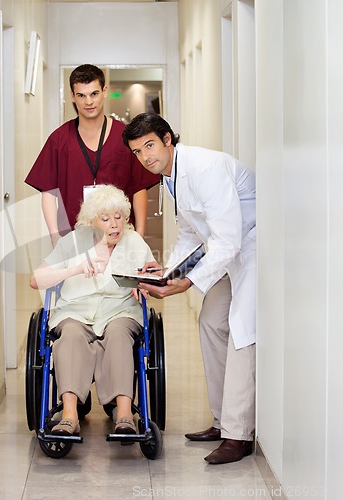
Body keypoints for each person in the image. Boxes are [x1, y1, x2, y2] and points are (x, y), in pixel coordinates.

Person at [123, 113, 256, 465]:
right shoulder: (170, 177)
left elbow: (228, 239)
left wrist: (186, 281)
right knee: (211, 323)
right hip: (226, 254)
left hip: (253, 251)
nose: (145, 157)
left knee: (242, 330)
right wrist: (169, 271)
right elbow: (190, 232)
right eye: (137, 152)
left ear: (168, 140)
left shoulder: (204, 168)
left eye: (149, 146)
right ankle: (221, 420)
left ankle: (238, 434)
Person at [30, 185, 158, 437]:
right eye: (106, 218)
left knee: (120, 334)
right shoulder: (73, 243)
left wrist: (147, 280)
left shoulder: (134, 242)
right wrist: (73, 270)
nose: (115, 224)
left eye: (119, 216)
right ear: (90, 222)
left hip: (119, 311)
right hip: (76, 312)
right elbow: (36, 279)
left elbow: (151, 274)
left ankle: (124, 414)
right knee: (71, 336)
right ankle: (69, 415)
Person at [25, 64, 159, 246]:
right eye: (81, 95)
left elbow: (139, 188)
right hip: (73, 240)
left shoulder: (126, 137)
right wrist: (55, 237)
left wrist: (140, 236)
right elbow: (48, 192)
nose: (89, 102)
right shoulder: (59, 139)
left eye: (94, 94)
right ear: (72, 96)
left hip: (120, 238)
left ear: (104, 91)